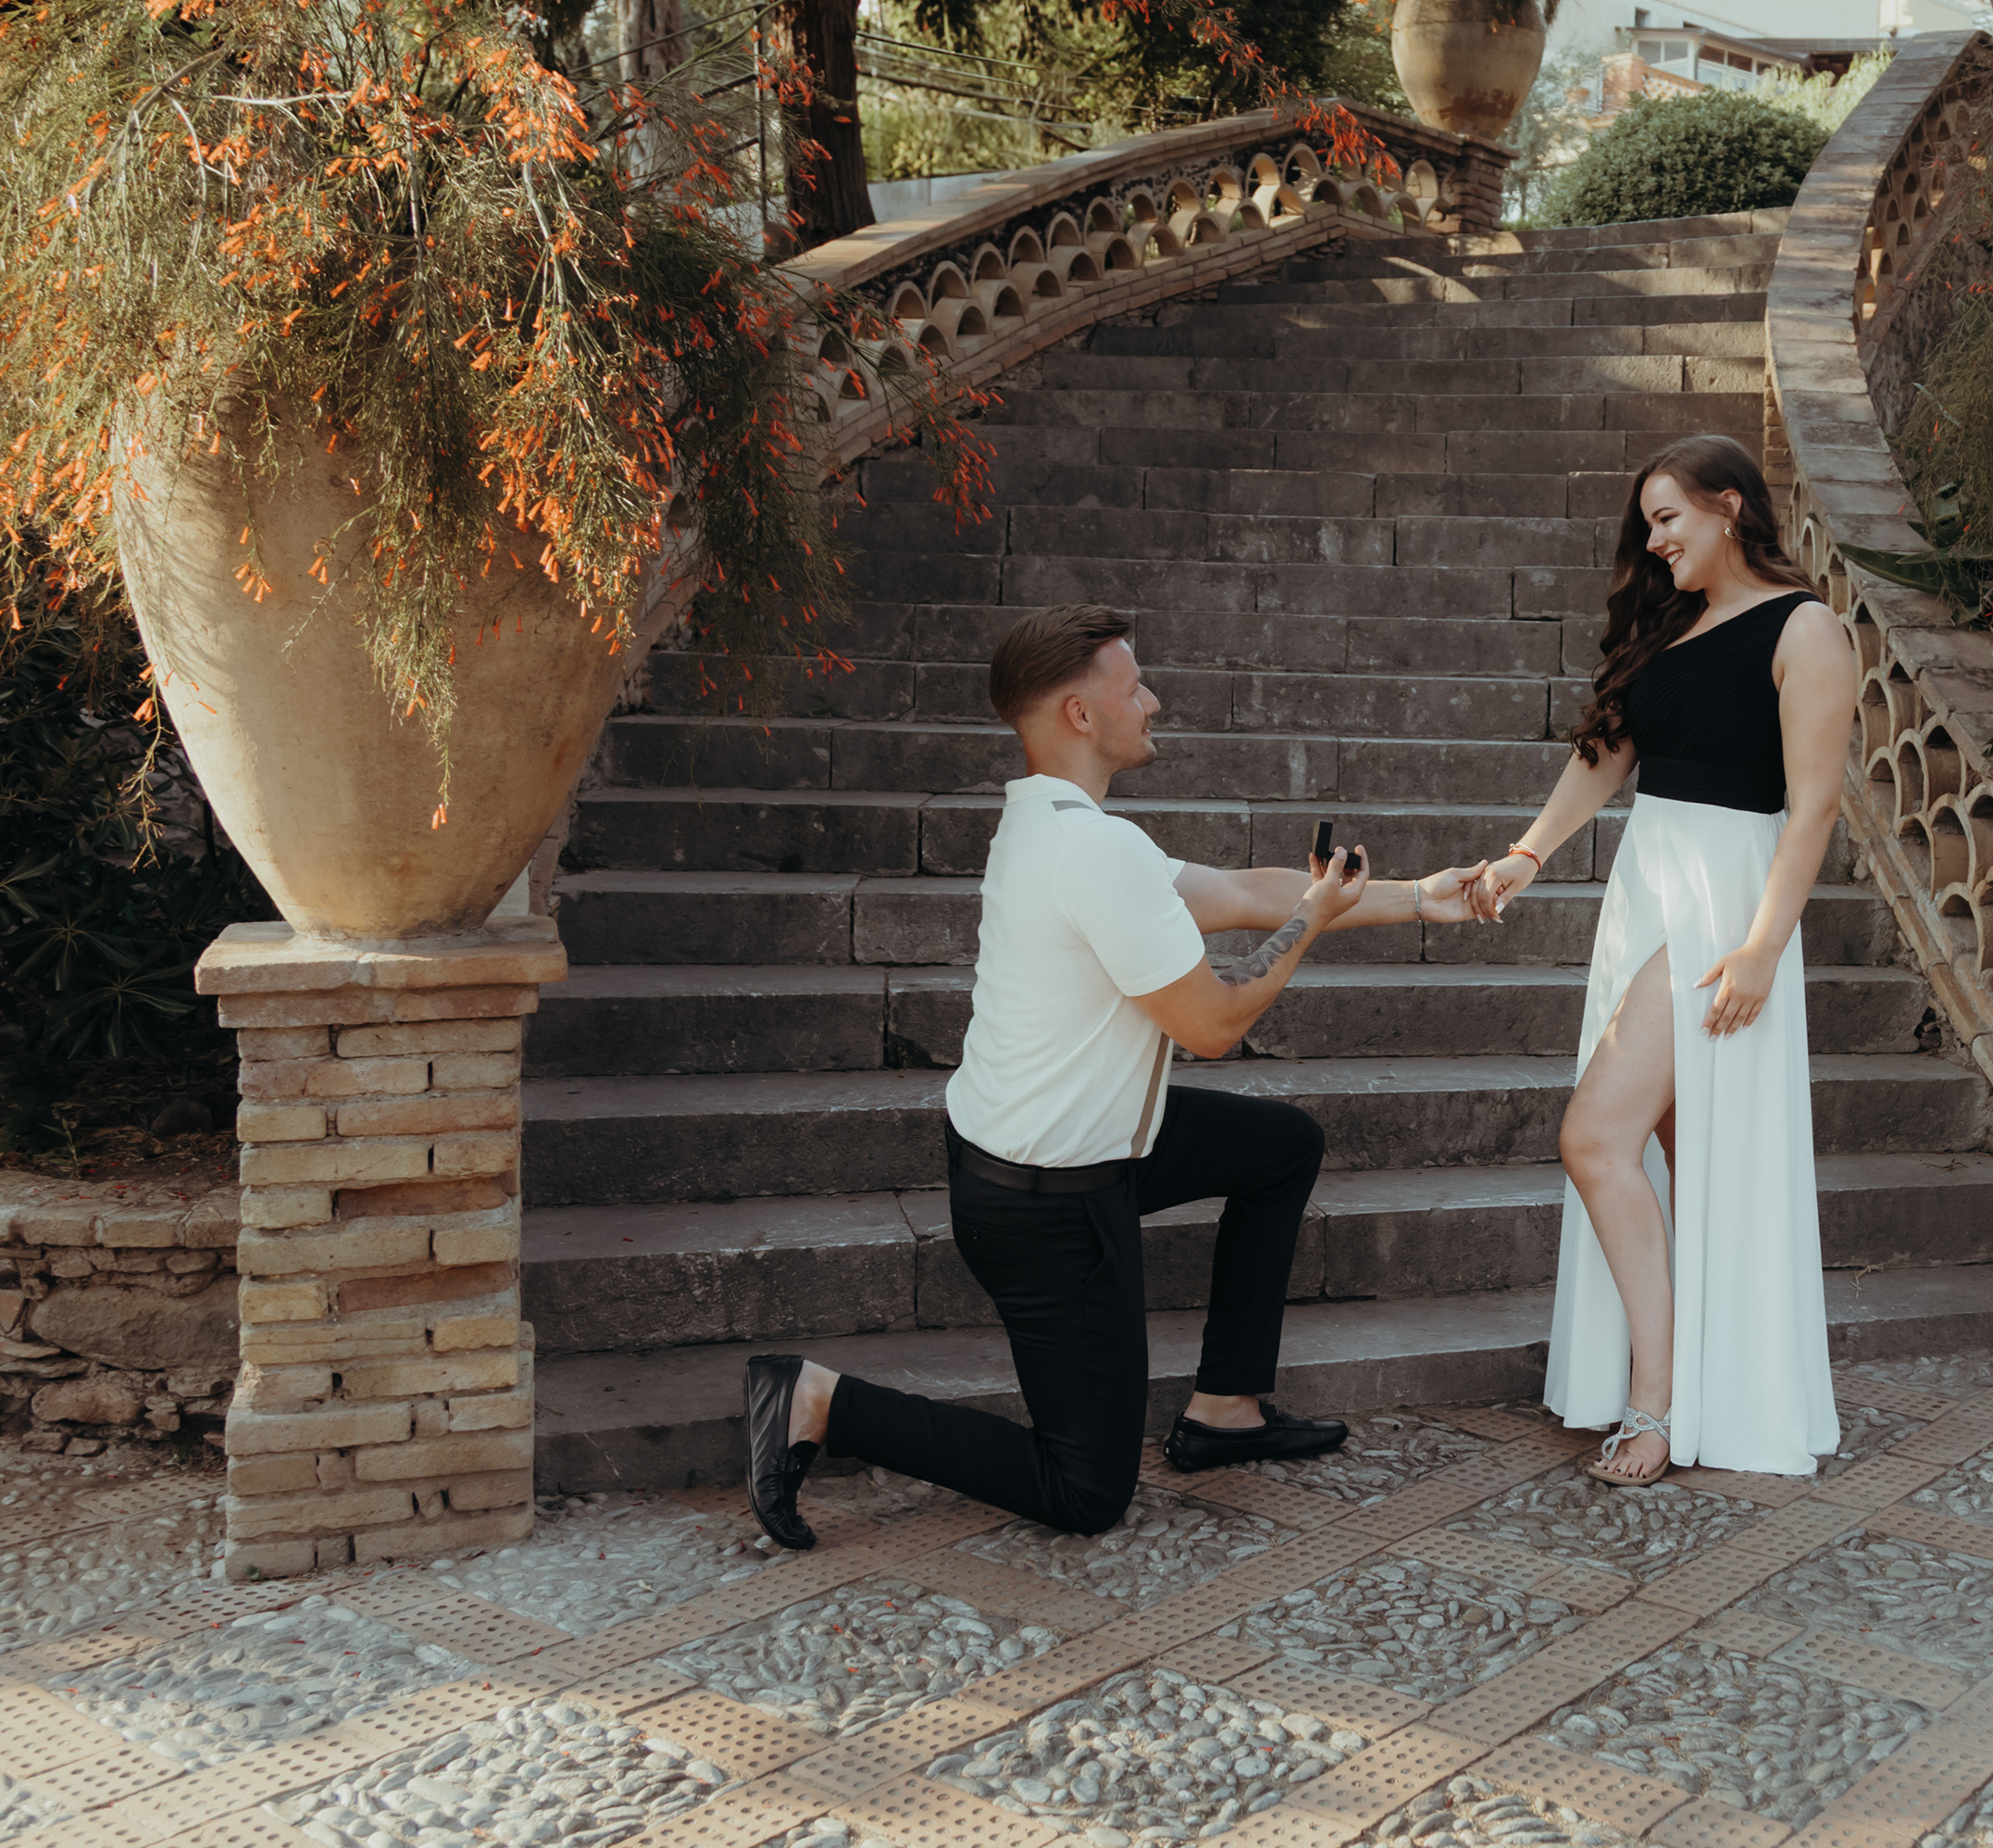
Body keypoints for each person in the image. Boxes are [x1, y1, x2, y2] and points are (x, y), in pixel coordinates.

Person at [741, 604, 1487, 1548]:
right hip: (1045, 1208)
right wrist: (1307, 927)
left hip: (1058, 1149)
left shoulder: (1056, 826)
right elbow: (1214, 1022)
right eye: (1132, 684)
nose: (1153, 698)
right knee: (1086, 1489)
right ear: (1079, 714)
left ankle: (1226, 1407)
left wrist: (1426, 898)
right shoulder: (1090, 851)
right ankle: (815, 1400)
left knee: (1279, 1148)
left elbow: (1248, 892)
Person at [1466, 433, 1856, 1483]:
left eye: (1669, 518)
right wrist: (1526, 855)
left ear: (1730, 507)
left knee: (1595, 1137)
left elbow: (1814, 804)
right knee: (1684, 1158)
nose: (1655, 540)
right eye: (1649, 523)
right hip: (1649, 890)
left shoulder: (1806, 629)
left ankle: (1656, 1402)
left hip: (1727, 905)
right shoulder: (1672, 624)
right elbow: (1607, 752)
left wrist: (1764, 945)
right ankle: (1705, 1382)